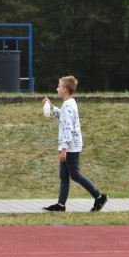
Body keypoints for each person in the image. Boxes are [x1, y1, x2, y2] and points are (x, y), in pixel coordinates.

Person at [41, 76, 108, 213]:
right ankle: (61, 205)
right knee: (64, 175)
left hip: (70, 147)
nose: (57, 89)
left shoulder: (68, 106)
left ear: (65, 89)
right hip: (71, 145)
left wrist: (64, 150)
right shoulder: (70, 103)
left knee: (75, 175)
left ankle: (99, 196)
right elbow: (63, 118)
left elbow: (67, 128)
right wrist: (52, 107)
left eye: (59, 86)